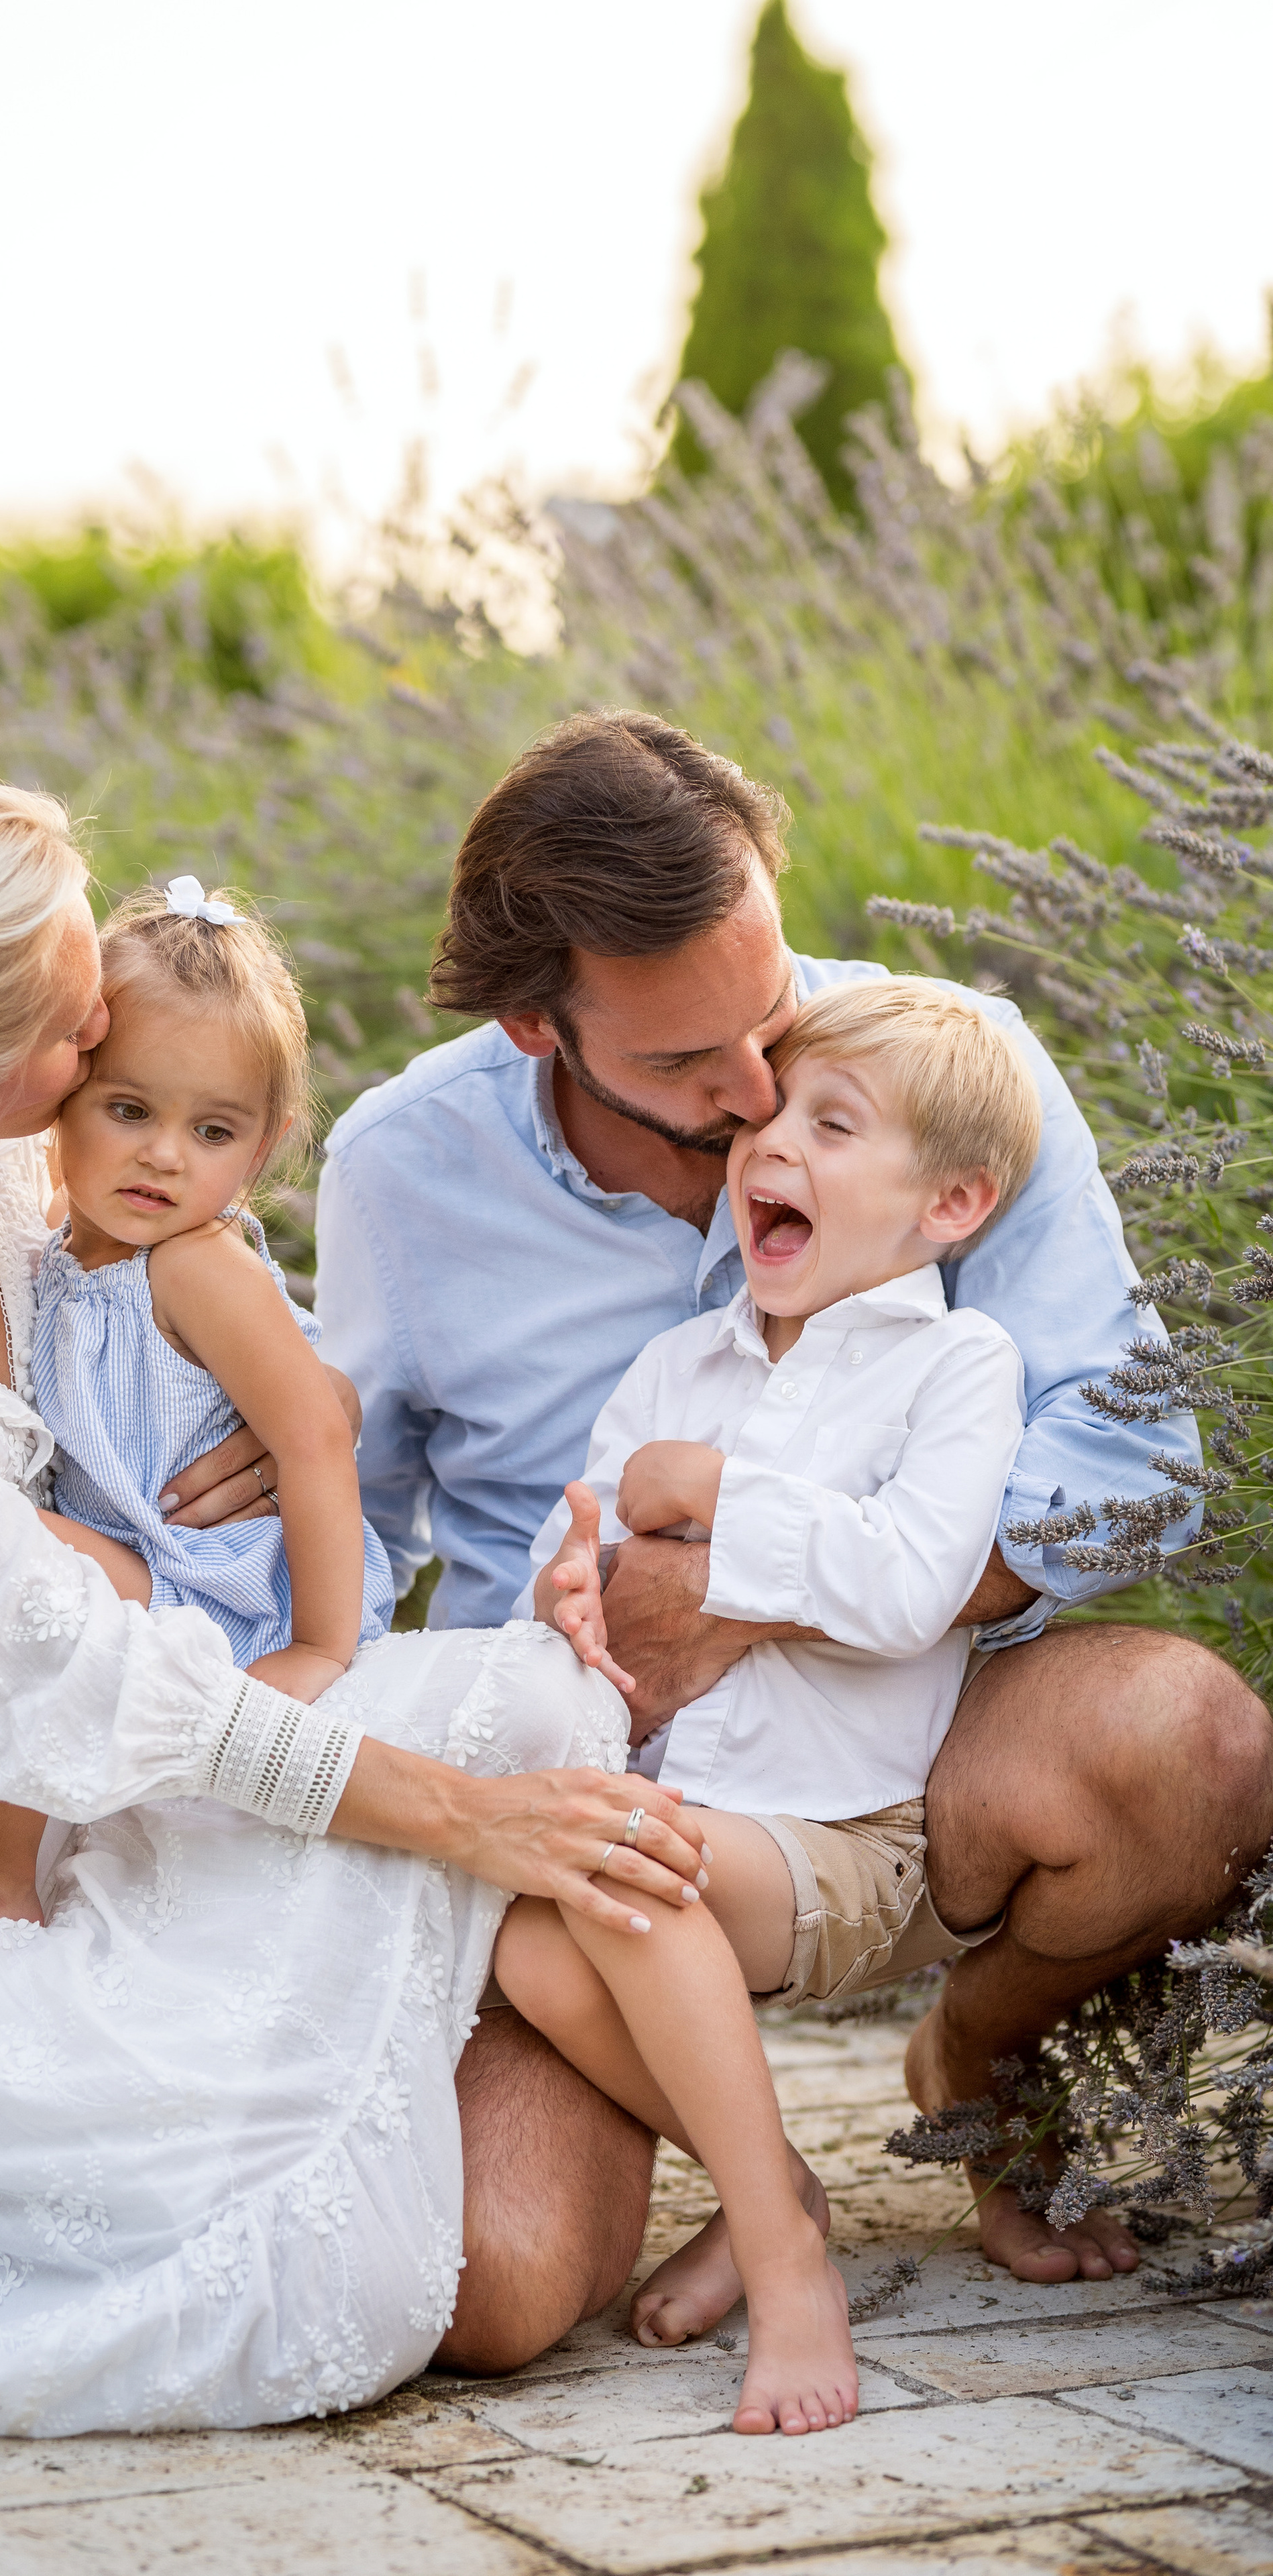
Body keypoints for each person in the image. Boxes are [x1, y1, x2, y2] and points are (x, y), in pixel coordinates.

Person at [0, 761, 701, 2575]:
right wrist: (437, 1814)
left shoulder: (5, 1159)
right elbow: (24, 1661)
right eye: (72, 1018)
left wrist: (272, 1419)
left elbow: (199, 1324)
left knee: (535, 1696)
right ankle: (524, 2046)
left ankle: (559, 2066)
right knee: (407, 2273)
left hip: (124, 1796)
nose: (107, 1020)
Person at [316, 708, 1273, 2357]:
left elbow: (1135, 1449)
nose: (760, 1095)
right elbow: (350, 1519)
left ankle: (968, 2062)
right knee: (490, 2289)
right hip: (605, 1787)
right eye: (691, 1068)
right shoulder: (405, 1170)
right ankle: (756, 2177)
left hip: (909, 1754)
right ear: (543, 1029)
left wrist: (749, 1600)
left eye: (769, 1020)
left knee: (1187, 1741)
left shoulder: (947, 1070)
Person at [502, 977, 1036, 2367]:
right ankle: (770, 2188)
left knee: (624, 1870)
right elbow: (577, 1579)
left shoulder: (953, 1365)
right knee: (525, 1933)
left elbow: (909, 1586)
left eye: (833, 1125)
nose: (770, 1148)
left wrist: (722, 1496)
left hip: (842, 1840)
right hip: (675, 1835)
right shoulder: (677, 1364)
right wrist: (568, 1603)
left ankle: (786, 2253)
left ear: (948, 1207)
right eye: (769, 1117)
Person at [0, 878, 394, 1957]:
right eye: (129, 1110)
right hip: (152, 1561)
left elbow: (315, 1432)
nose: (166, 1155)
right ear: (62, 1102)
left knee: (21, 1553)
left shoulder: (195, 1265)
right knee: (27, 1562)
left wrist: (321, 1645)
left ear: (267, 1144)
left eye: (213, 1129)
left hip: (221, 1580)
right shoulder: (58, 1250)